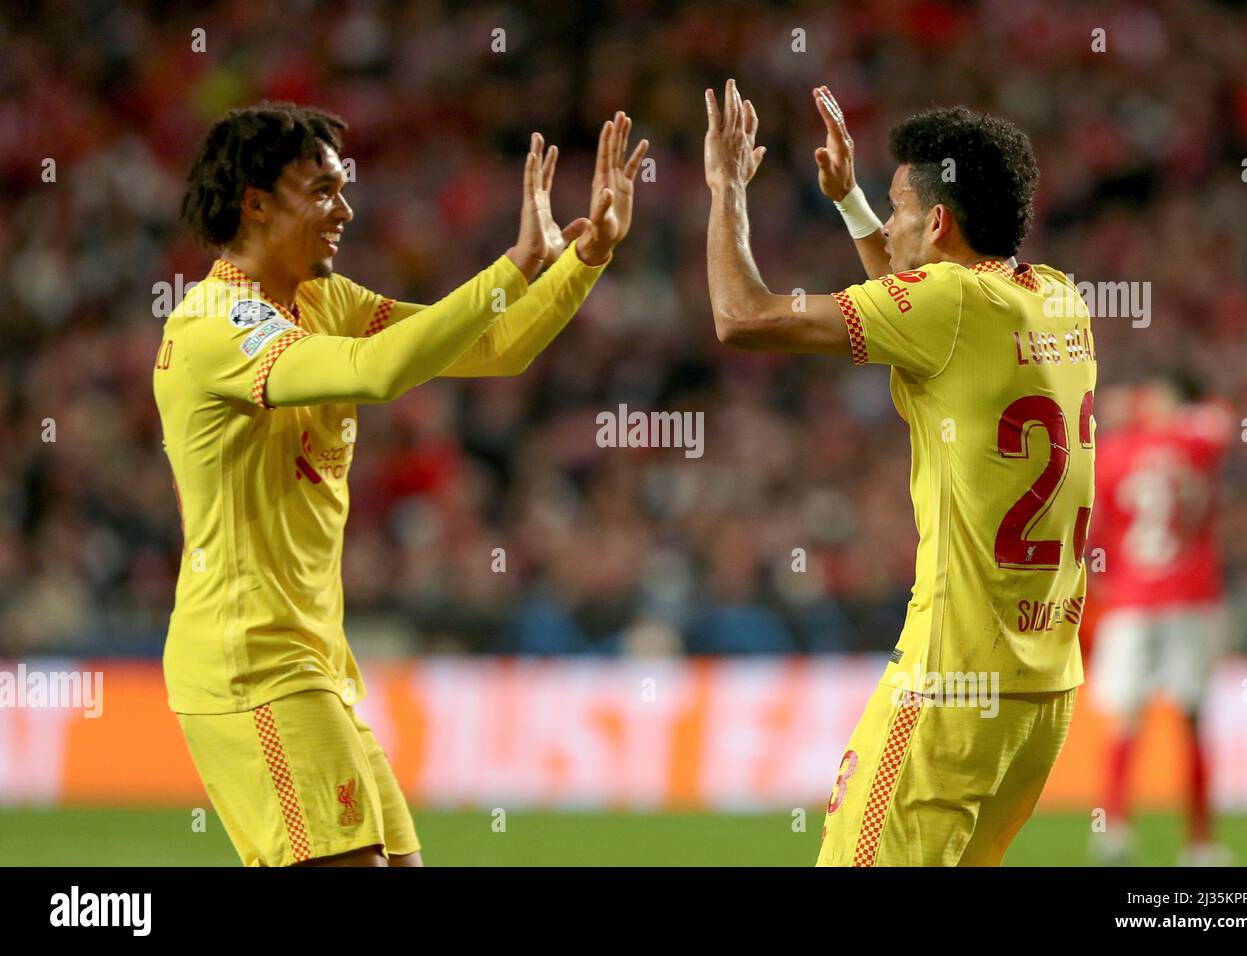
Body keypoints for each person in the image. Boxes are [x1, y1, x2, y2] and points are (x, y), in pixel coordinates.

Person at [155, 102, 648, 866]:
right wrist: (515, 264)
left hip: (315, 661)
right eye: (322, 191)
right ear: (256, 203)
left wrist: (585, 259)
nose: (344, 210)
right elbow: (377, 371)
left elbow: (495, 346)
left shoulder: (325, 301)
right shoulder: (215, 325)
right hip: (249, 664)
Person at [704, 79, 1096, 865]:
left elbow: (741, 318)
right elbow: (913, 296)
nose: (890, 225)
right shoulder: (1058, 299)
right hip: (1042, 690)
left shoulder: (948, 305)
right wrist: (851, 202)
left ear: (939, 222)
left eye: (898, 208)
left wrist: (726, 192)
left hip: (950, 679)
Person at [1088, 371, 1234, 866]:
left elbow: (1097, 529)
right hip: (1191, 595)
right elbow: (1221, 421)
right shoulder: (1194, 440)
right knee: (1192, 717)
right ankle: (1200, 841)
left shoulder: (1113, 452)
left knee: (1125, 717)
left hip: (1130, 599)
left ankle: (1113, 828)